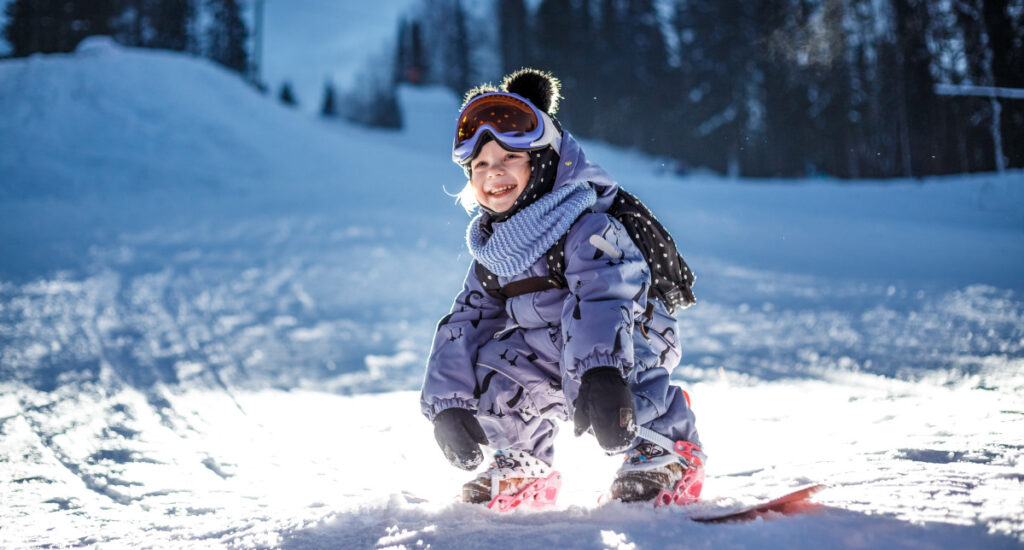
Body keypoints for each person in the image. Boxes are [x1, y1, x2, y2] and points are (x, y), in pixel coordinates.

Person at [420, 68, 704, 509]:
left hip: (629, 338)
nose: (494, 173)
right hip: (564, 354)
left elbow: (605, 295)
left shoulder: (586, 224)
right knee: (492, 363)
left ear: (545, 161)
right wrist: (447, 404)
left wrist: (603, 371)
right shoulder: (497, 254)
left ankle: (667, 445)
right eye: (480, 165)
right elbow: (464, 321)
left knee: (590, 337)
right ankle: (523, 458)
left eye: (508, 158)